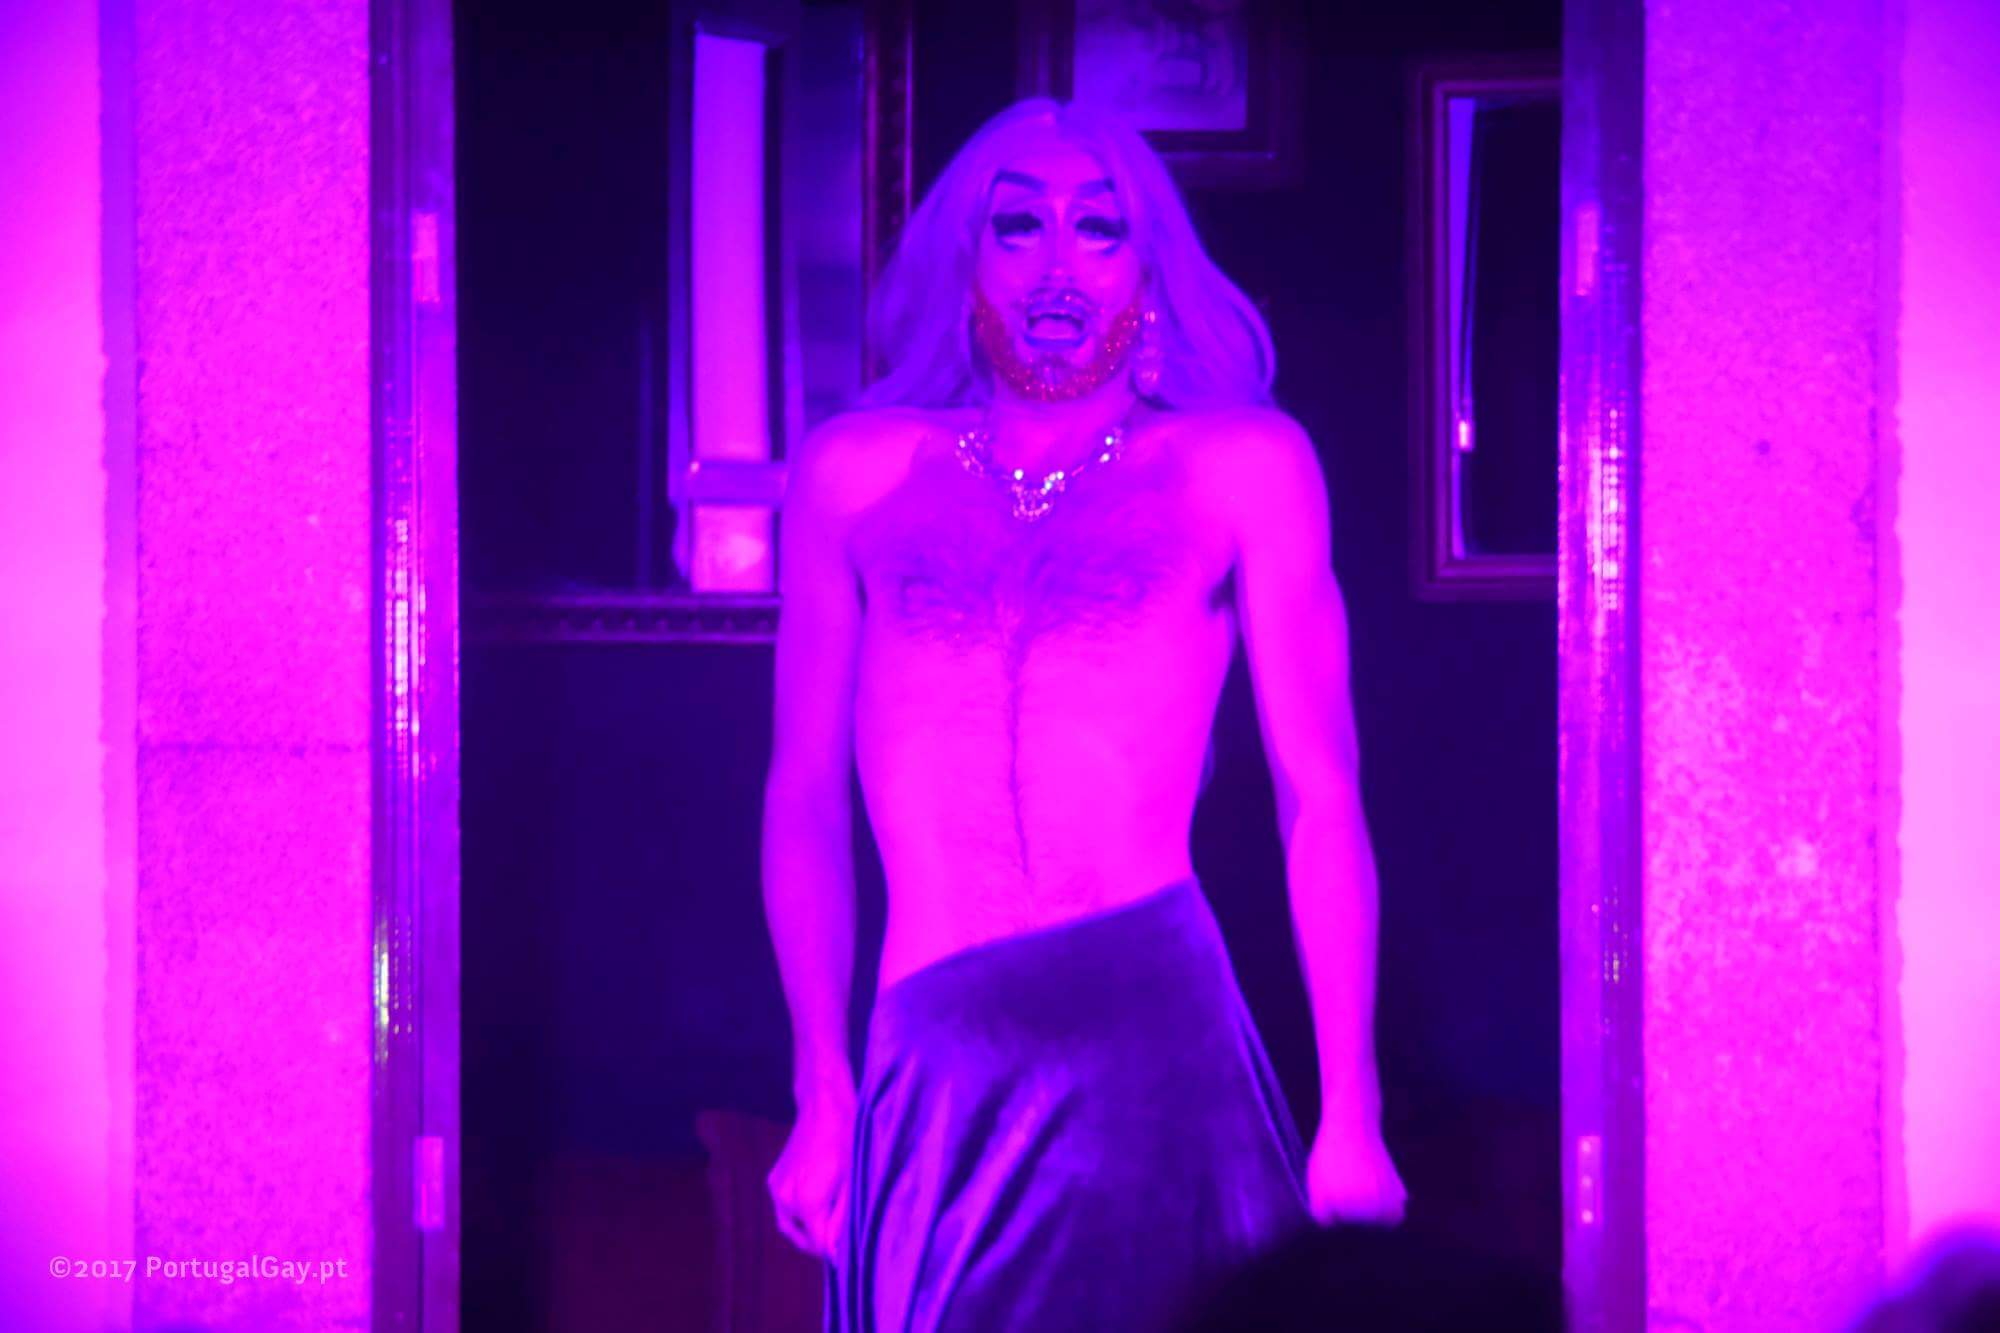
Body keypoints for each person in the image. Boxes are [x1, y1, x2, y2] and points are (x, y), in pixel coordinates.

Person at [759, 96, 1405, 1332]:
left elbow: (1319, 796)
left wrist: (1351, 1111)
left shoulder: (1242, 467)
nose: (1057, 263)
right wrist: (819, 1082)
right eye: (1019, 226)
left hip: (1153, 1045)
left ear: (1147, 274)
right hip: (931, 1056)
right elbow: (800, 795)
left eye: (1098, 228)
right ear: (966, 262)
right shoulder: (854, 474)